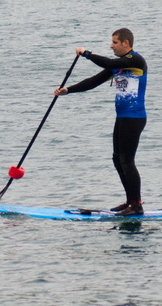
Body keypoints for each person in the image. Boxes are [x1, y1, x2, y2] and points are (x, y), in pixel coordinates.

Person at [54, 28, 148, 215]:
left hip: (135, 117)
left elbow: (107, 62)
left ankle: (136, 205)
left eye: (114, 42)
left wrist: (87, 54)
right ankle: (130, 201)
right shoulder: (119, 66)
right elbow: (94, 81)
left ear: (126, 44)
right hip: (122, 117)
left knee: (127, 161)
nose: (111, 45)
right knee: (117, 159)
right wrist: (68, 90)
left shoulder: (136, 60)